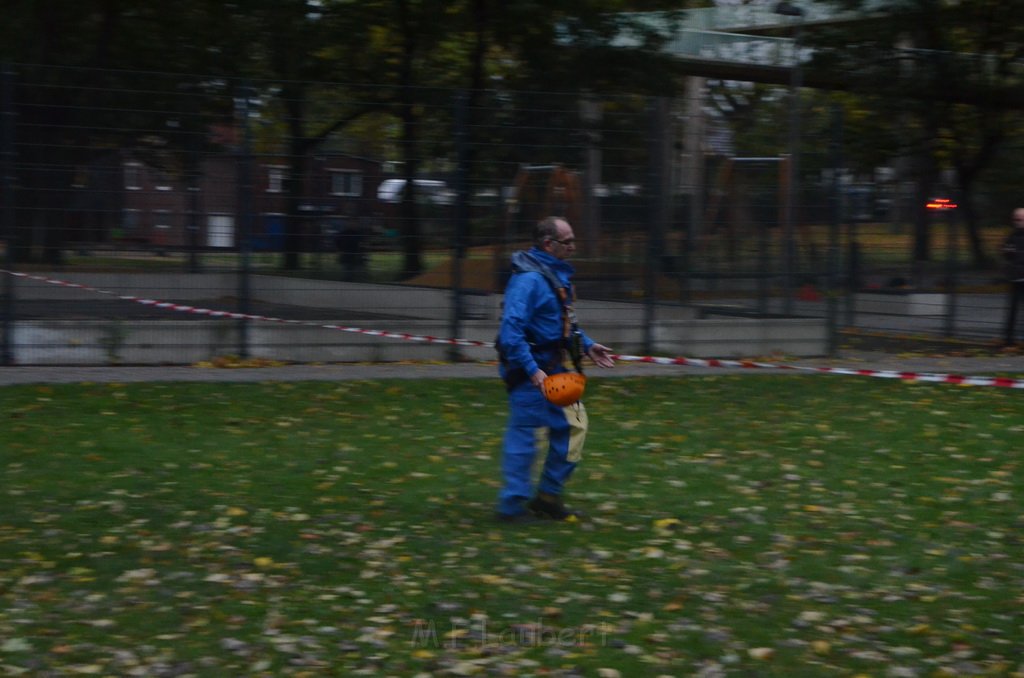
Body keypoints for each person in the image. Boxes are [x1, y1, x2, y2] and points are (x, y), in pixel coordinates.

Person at [495, 216, 615, 523]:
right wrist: (534, 372)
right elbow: (511, 333)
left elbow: (561, 323)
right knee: (525, 435)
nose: (574, 247)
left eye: (573, 240)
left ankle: (548, 497)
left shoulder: (554, 275)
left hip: (555, 370)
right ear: (548, 244)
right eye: (568, 241)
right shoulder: (528, 280)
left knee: (575, 424)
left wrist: (588, 345)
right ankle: (512, 507)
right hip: (531, 373)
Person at [1001, 207, 1024, 348]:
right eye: (1016, 219)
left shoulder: (1013, 236)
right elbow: (1006, 253)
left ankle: (1010, 338)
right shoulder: (1011, 236)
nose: (1017, 221)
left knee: (1014, 310)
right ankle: (1009, 339)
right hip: (1016, 278)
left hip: (1019, 277)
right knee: (1013, 311)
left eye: (1020, 219)